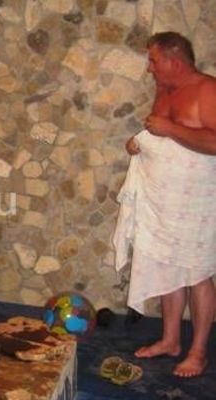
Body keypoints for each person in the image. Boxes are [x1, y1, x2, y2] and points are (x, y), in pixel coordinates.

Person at [120, 31, 216, 378]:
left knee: (198, 274)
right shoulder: (164, 89)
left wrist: (170, 129)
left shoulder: (207, 90)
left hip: (197, 202)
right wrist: (139, 143)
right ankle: (170, 340)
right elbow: (159, 134)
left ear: (174, 61)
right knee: (168, 266)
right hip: (163, 199)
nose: (149, 68)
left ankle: (198, 351)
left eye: (154, 60)